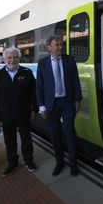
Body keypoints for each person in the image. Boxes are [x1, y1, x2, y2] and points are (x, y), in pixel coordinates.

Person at [36, 35, 82, 176]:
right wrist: (41, 107)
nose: (61, 47)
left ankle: (74, 164)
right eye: (57, 45)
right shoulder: (42, 63)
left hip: (67, 102)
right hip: (52, 104)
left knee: (69, 132)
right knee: (55, 134)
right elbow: (40, 86)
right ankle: (59, 162)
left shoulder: (69, 60)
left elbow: (75, 81)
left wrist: (77, 100)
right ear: (49, 47)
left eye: (62, 44)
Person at [0, 47, 37, 177]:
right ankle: (12, 162)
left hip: (23, 113)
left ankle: (29, 160)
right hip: (6, 114)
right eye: (9, 58)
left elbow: (34, 93)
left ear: (19, 59)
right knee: (9, 140)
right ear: (4, 59)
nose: (12, 60)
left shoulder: (26, 73)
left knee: (26, 138)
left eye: (15, 57)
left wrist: (34, 109)